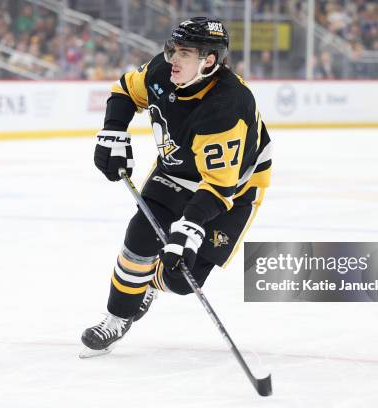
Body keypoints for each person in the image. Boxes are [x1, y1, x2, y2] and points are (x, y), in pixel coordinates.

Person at [80, 17, 272, 357]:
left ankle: (153, 283)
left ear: (209, 60)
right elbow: (125, 91)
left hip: (234, 189)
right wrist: (114, 132)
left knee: (181, 280)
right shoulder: (161, 71)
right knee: (139, 237)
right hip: (176, 171)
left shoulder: (226, 107)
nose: (173, 59)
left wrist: (189, 228)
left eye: (185, 53)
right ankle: (116, 316)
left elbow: (218, 186)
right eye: (173, 49)